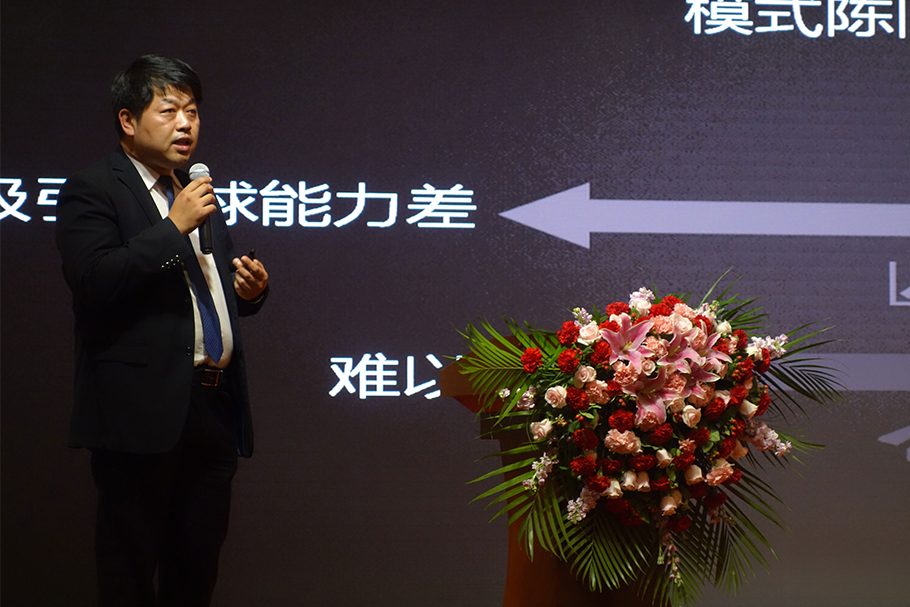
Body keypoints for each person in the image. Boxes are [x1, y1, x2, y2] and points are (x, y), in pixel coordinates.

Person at [55, 54, 269, 606]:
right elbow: (95, 280)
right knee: (129, 571)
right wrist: (174, 228)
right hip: (140, 411)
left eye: (192, 112)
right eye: (169, 110)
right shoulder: (93, 189)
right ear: (128, 121)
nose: (185, 124)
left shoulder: (190, 190)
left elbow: (196, 296)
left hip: (212, 408)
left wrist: (246, 294)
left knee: (195, 574)